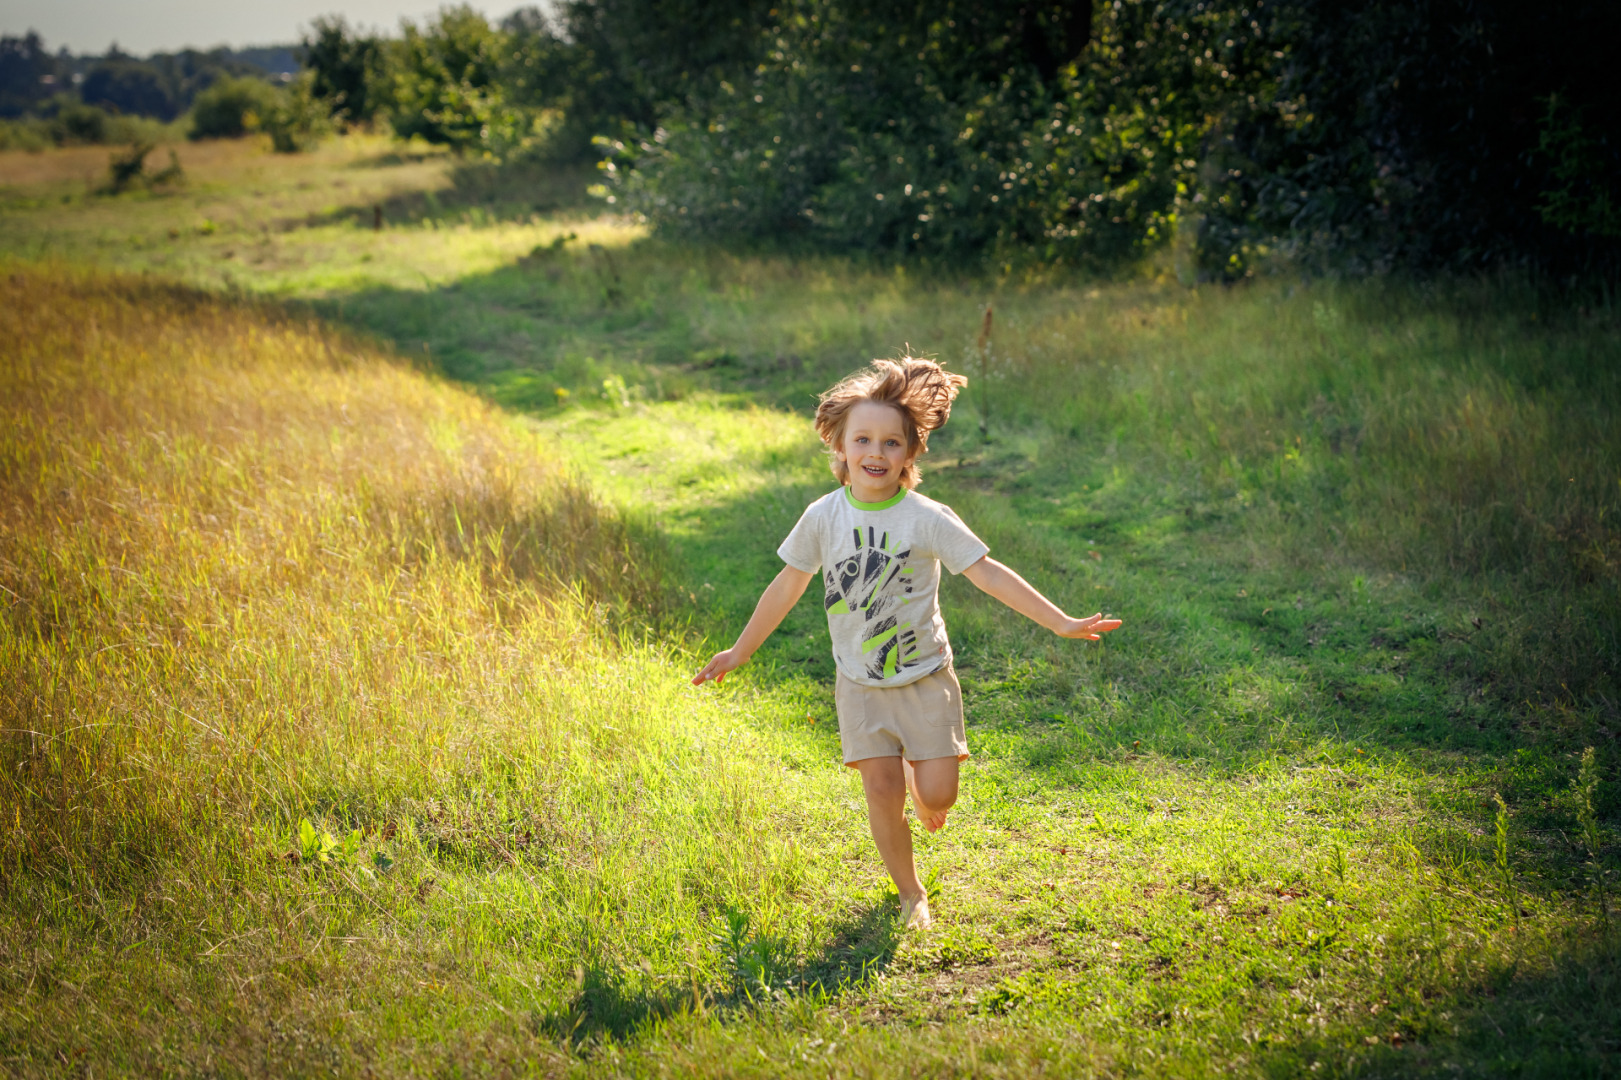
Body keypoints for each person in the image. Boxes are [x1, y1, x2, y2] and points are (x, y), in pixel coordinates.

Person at [692, 356, 1121, 929]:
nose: (876, 451)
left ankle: (927, 789)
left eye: (891, 442)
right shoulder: (823, 516)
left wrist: (1061, 622)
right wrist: (740, 650)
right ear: (840, 449)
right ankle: (910, 893)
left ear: (910, 454)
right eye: (863, 438)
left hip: (924, 679)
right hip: (860, 684)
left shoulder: (927, 517)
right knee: (880, 792)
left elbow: (988, 573)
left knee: (939, 797)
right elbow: (788, 583)